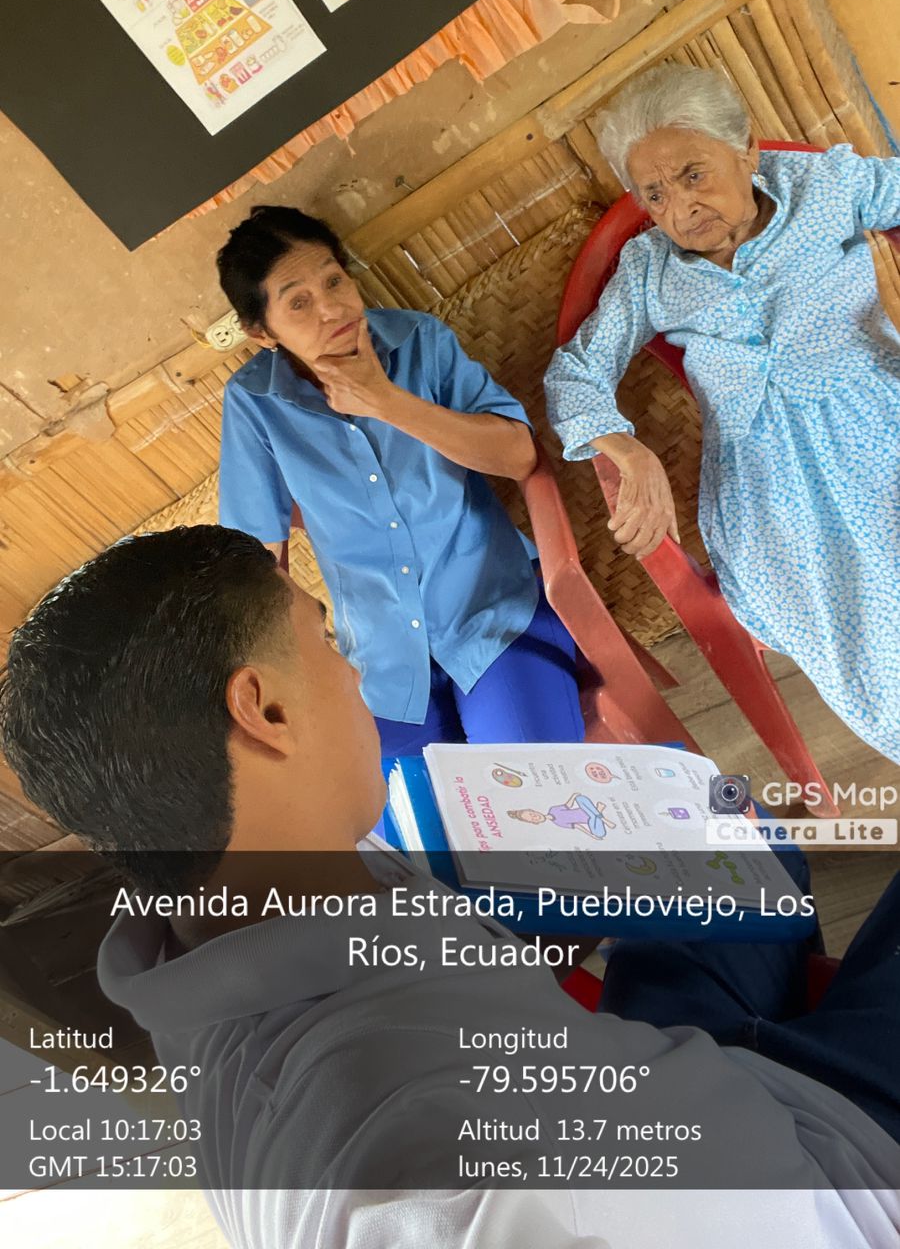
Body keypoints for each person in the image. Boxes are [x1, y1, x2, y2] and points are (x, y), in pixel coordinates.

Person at [1, 527, 898, 1249]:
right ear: (264, 709)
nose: (352, 671)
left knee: (738, 837)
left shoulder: (227, 913)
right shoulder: (425, 1176)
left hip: (649, 1084)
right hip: (833, 1173)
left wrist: (533, 945)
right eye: (324, 639)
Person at [545, 63, 900, 764]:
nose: (681, 207)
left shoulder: (828, 186)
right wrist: (627, 449)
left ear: (747, 151)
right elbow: (574, 375)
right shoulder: (649, 270)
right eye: (655, 194)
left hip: (880, 421)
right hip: (768, 494)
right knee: (866, 634)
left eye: (694, 174)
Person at [214, 205, 583, 758]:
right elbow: (259, 559)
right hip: (379, 666)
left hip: (495, 616)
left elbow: (519, 457)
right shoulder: (254, 403)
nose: (332, 308)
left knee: (532, 787)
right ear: (262, 332)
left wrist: (384, 401)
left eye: (334, 281)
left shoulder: (420, 343)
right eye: (299, 302)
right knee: (394, 810)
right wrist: (298, 671)